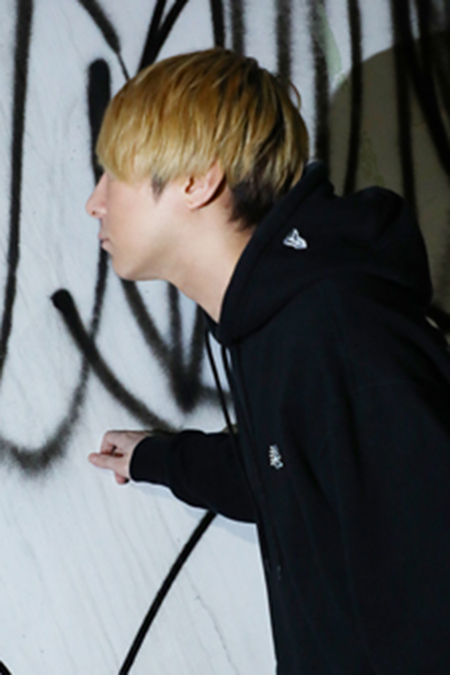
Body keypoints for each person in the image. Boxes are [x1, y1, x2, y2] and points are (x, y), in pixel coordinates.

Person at [86, 48, 450, 674]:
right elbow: (292, 474)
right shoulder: (274, 323)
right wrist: (157, 459)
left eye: (114, 175)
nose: (95, 202)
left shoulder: (339, 333)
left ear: (197, 180)